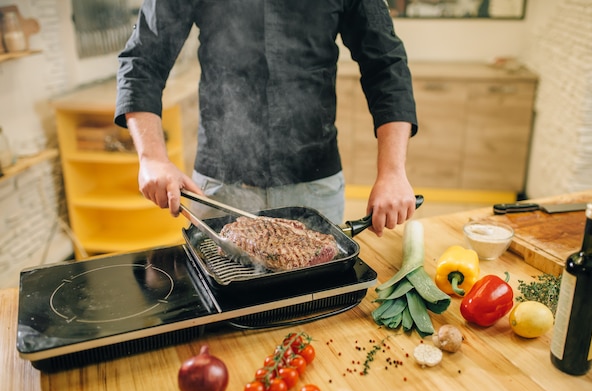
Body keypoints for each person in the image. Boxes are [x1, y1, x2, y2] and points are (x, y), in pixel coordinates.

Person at [115, 1, 418, 237]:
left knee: (314, 309)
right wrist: (152, 158)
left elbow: (386, 65)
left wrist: (392, 172)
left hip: (313, 185)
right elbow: (143, 61)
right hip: (221, 188)